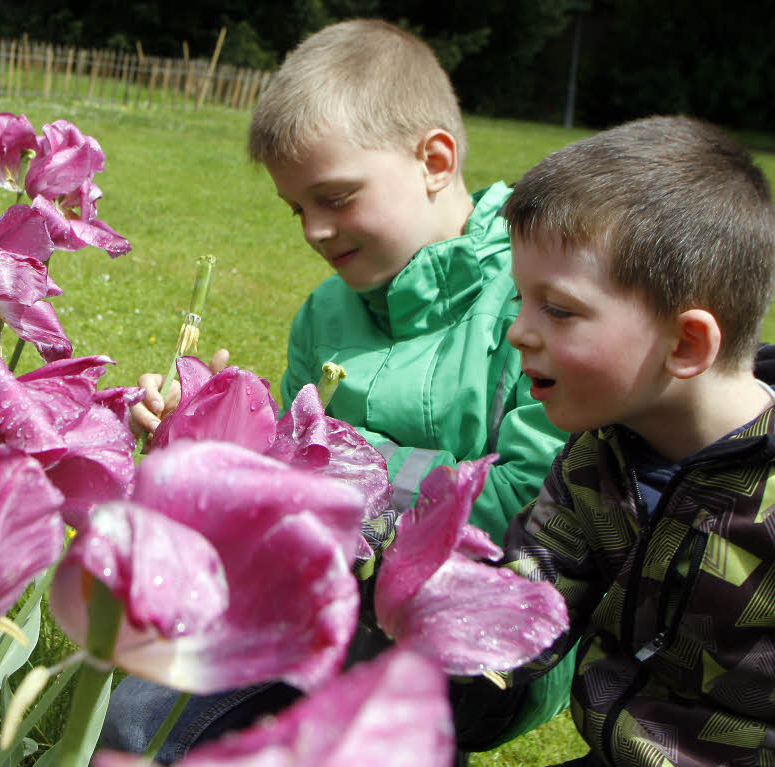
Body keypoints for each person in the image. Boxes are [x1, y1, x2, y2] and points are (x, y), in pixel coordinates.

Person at [110, 18, 573, 763]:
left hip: (481, 620)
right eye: (298, 209)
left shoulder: (532, 298)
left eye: (336, 197)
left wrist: (341, 471)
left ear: (434, 158)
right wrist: (210, 436)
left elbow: (532, 499)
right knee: (144, 709)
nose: (315, 231)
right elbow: (284, 471)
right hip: (324, 585)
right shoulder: (324, 314)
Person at [497, 115, 775, 767]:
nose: (518, 332)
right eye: (520, 300)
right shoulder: (602, 453)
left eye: (557, 309)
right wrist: (382, 556)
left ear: (685, 344)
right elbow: (526, 601)